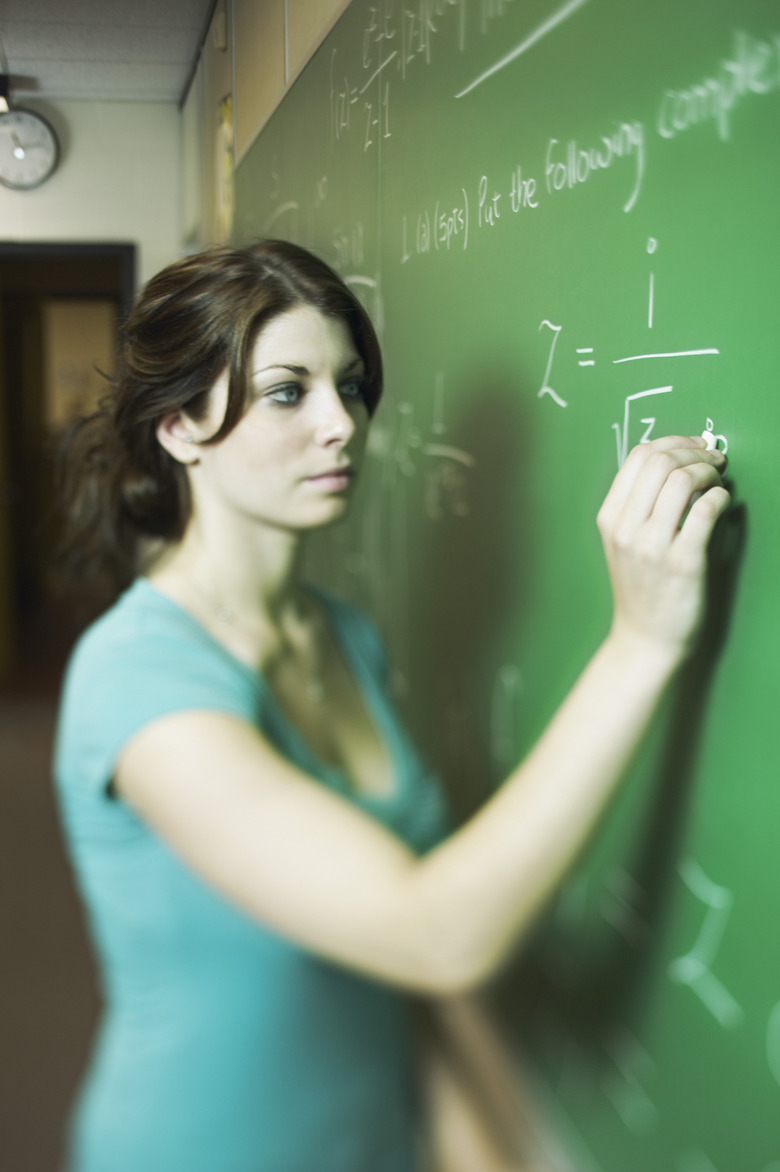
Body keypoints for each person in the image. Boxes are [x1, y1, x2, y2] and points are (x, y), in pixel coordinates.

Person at [53, 239, 730, 1172]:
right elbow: (432, 932)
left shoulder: (340, 632)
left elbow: (402, 978)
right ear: (179, 427)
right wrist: (642, 642)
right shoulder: (135, 677)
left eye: (353, 386)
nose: (343, 423)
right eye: (290, 391)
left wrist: (498, 1146)